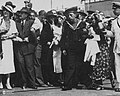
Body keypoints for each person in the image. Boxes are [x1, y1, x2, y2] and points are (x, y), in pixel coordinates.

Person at [60, 7, 89, 91]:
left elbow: (85, 35)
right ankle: (67, 84)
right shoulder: (66, 25)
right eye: (68, 15)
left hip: (80, 48)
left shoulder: (82, 24)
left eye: (71, 15)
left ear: (75, 15)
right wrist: (63, 48)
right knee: (70, 66)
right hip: (70, 48)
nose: (69, 17)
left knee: (79, 66)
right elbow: (64, 37)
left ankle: (76, 83)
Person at [15, 7, 37, 89]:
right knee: (21, 66)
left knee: (29, 66)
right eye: (20, 13)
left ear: (26, 15)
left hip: (28, 47)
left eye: (23, 13)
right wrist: (17, 38)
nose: (20, 15)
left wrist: (29, 38)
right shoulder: (16, 23)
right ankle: (23, 83)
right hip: (19, 47)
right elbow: (15, 33)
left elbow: (36, 34)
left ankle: (32, 83)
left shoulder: (31, 22)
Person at [0, 1, 17, 90]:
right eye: (4, 11)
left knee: (9, 63)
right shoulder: (0, 20)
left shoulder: (12, 22)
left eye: (7, 11)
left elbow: (15, 34)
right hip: (0, 44)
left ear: (10, 13)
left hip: (8, 44)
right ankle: (0, 82)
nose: (5, 12)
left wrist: (7, 36)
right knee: (1, 63)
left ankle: (7, 82)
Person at [105, 2, 120, 92]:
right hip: (117, 47)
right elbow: (113, 34)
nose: (114, 11)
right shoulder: (114, 21)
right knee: (117, 66)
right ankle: (119, 83)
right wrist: (105, 32)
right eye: (113, 9)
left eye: (115, 9)